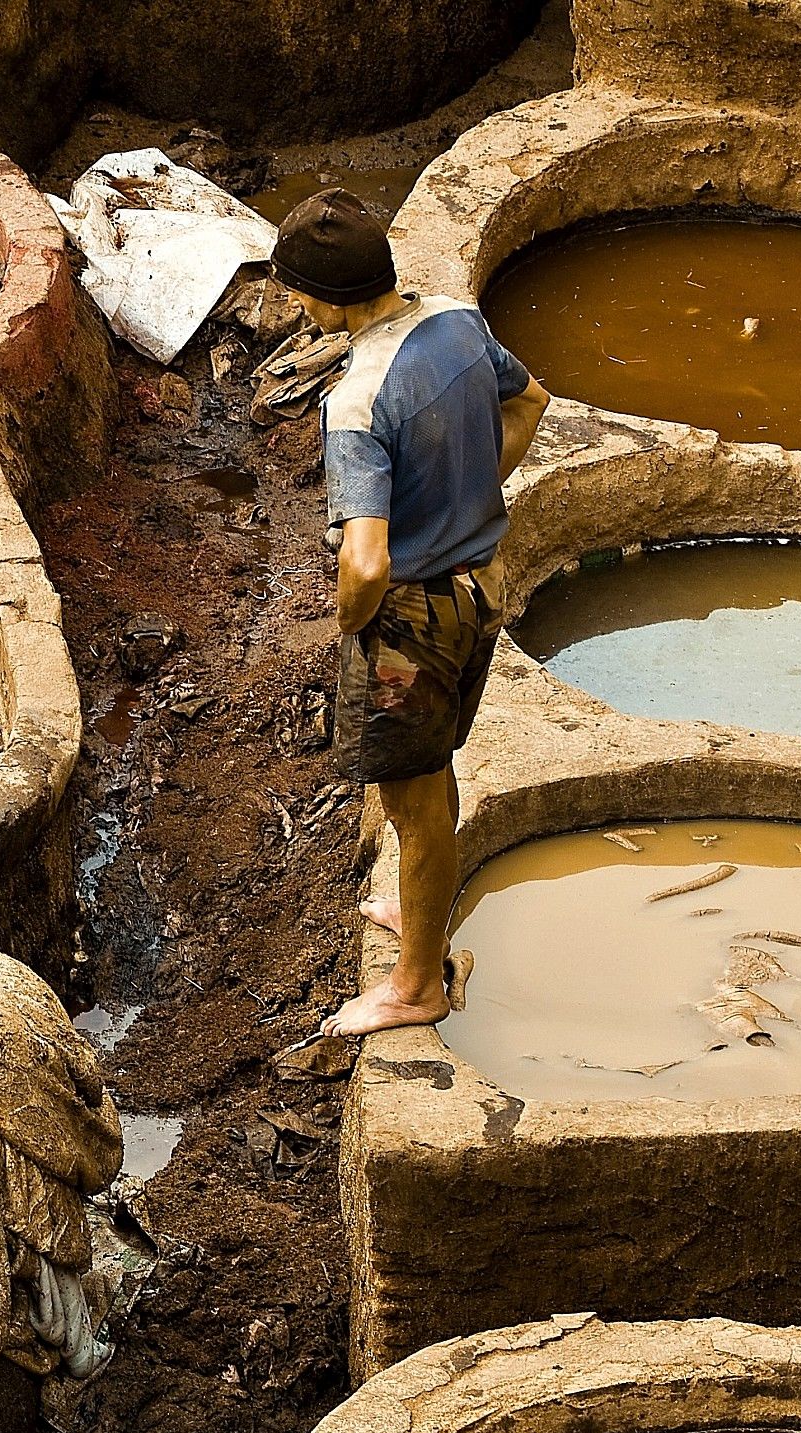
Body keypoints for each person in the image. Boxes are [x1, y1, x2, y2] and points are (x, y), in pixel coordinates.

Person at [270, 189, 551, 1037]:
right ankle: (418, 914)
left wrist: (354, 621)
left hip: (415, 621)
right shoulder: (460, 323)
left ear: (322, 300)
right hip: (481, 585)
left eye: (296, 292)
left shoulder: (357, 401)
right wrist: (471, 492)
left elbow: (365, 558)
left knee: (413, 803)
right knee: (435, 778)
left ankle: (417, 986)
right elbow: (530, 399)